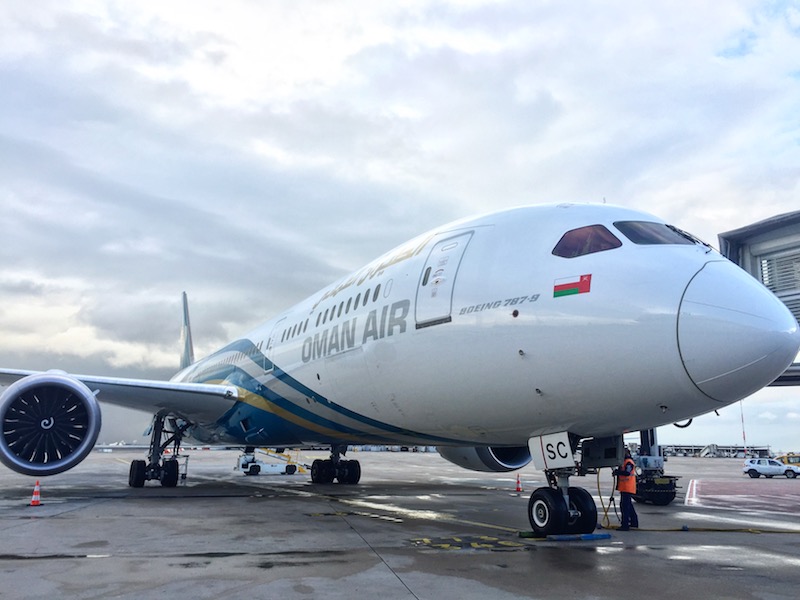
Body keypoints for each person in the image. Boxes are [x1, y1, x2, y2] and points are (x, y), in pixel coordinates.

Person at [614, 448, 639, 531]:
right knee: (628, 506)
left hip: (627, 487)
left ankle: (625, 525)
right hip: (625, 487)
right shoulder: (624, 462)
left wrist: (618, 472)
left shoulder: (628, 462)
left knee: (625, 506)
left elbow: (627, 473)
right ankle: (634, 523)